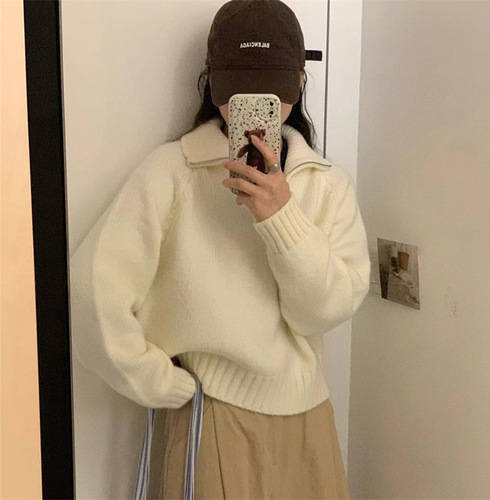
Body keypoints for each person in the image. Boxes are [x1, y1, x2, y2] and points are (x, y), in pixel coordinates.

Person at [69, 0, 371, 498]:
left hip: (310, 424)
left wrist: (282, 218)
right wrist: (154, 381)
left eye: (269, 90)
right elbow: (91, 291)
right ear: (212, 85)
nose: (250, 104)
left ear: (299, 83)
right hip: (212, 423)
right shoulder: (174, 171)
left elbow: (322, 313)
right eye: (238, 89)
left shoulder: (327, 184)